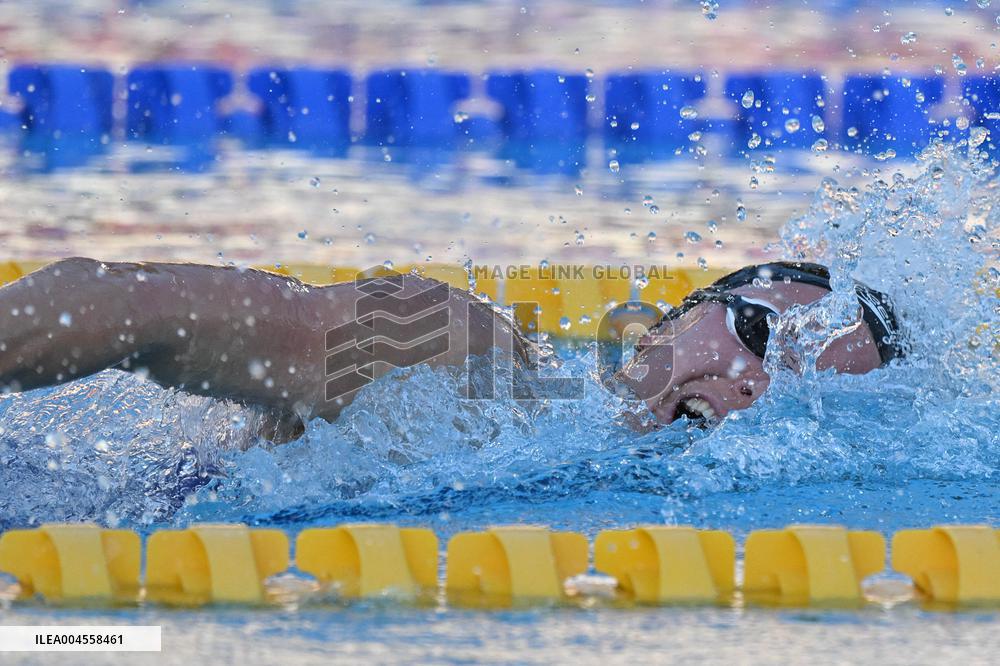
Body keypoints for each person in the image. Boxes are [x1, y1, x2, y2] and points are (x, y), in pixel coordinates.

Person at [0, 257, 903, 437]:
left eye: (801, 386)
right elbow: (129, 304)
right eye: (757, 332)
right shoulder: (463, 355)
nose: (753, 384)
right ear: (665, 319)